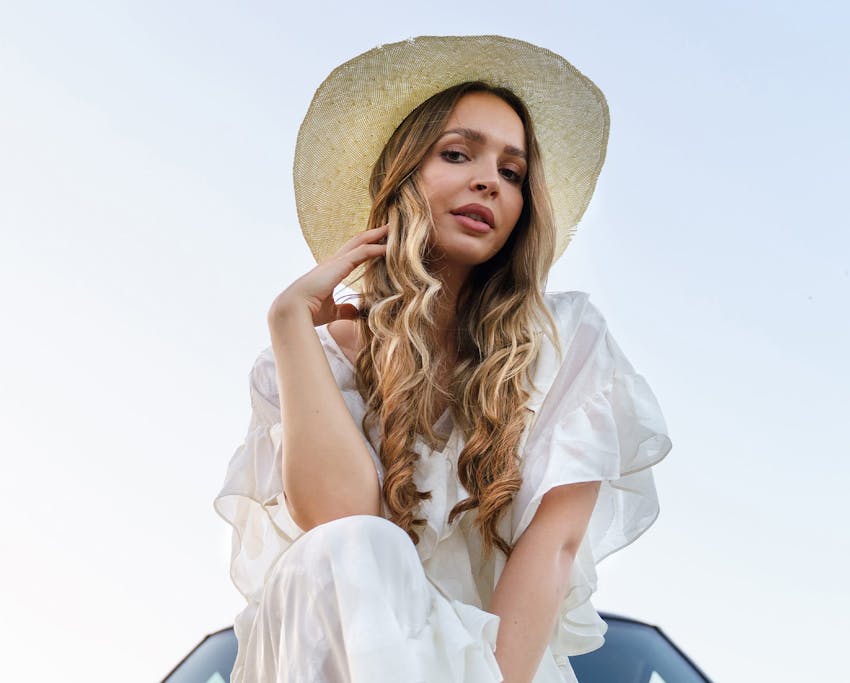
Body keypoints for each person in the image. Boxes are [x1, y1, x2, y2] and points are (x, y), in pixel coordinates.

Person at [214, 35, 672, 683]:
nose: (489, 179)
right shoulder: (310, 354)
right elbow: (343, 536)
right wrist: (289, 323)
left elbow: (556, 545)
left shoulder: (567, 339)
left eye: (512, 173)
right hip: (342, 663)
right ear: (401, 179)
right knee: (349, 547)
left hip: (496, 669)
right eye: (457, 154)